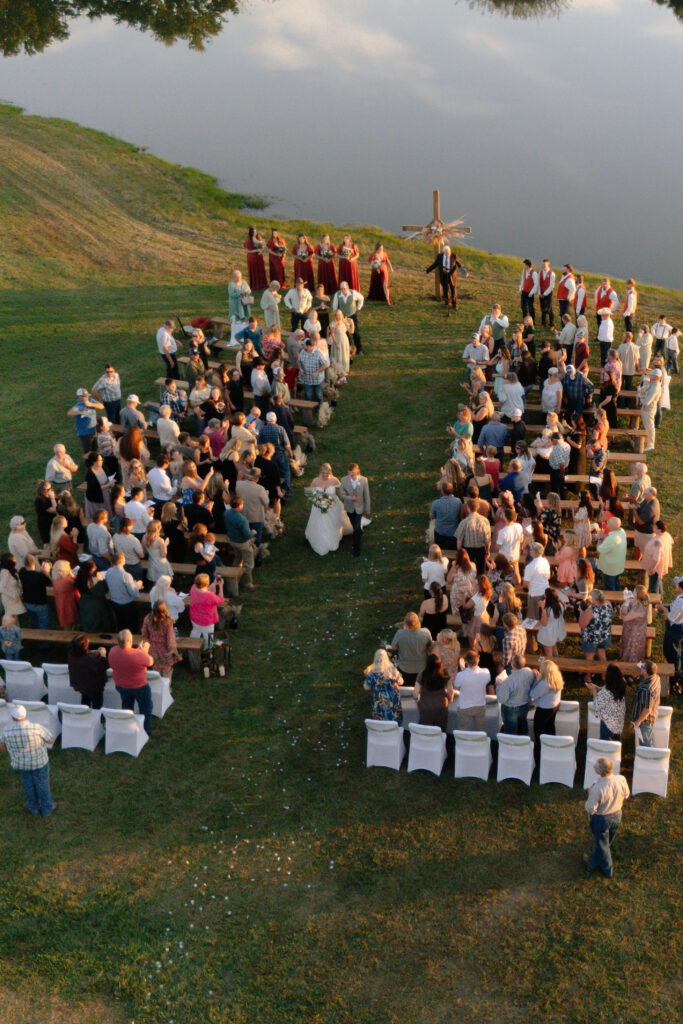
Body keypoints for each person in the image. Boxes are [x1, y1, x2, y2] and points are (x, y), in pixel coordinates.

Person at [0, 704, 55, 816]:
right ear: (25, 715)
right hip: (39, 762)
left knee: (28, 785)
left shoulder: (7, 731)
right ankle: (47, 808)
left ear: (12, 717)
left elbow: (1, 744)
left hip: (21, 764)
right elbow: (50, 741)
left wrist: (8, 752)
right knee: (42, 784)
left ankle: (33, 808)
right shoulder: (36, 727)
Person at [583, 756, 630, 878]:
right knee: (605, 842)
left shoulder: (596, 788)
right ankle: (593, 861)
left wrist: (589, 794)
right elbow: (626, 794)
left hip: (602, 819)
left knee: (602, 844)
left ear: (599, 771)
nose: (594, 767)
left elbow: (590, 809)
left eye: (595, 766)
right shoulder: (621, 779)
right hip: (617, 815)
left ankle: (607, 870)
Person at [108, 630, 154, 736]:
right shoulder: (138, 655)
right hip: (139, 686)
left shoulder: (112, 651)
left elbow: (128, 656)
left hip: (121, 685)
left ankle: (127, 726)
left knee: (127, 706)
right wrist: (144, 651)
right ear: (130, 640)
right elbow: (150, 661)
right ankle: (145, 731)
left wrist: (139, 651)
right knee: (146, 707)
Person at [529, 658, 564, 761]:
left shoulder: (545, 683)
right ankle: (551, 751)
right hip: (554, 707)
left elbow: (532, 694)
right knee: (550, 729)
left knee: (539, 733)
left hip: (543, 710)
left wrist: (535, 680)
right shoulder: (557, 678)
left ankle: (539, 758)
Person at [495, 653, 536, 735]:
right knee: (522, 729)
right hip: (524, 706)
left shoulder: (508, 681)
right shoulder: (529, 672)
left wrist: (498, 687)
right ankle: (523, 744)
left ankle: (511, 746)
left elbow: (501, 699)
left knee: (510, 732)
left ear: (512, 664)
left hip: (510, 709)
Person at [222, 495, 256, 589]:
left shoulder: (226, 513)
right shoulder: (242, 520)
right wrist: (252, 532)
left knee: (237, 558)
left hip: (232, 540)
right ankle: (247, 582)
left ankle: (234, 576)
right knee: (248, 564)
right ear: (240, 505)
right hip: (242, 543)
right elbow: (247, 535)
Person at [579, 590, 614, 680]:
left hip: (591, 637)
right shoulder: (609, 604)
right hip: (604, 635)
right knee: (602, 654)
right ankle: (603, 675)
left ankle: (588, 677)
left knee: (589, 658)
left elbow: (582, 625)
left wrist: (581, 612)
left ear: (594, 599)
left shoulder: (591, 610)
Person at [141, 601, 181, 679]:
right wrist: (172, 649)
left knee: (156, 669)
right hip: (165, 648)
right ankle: (166, 687)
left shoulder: (148, 618)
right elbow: (170, 637)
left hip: (153, 648)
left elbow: (144, 633)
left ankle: (158, 686)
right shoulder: (167, 621)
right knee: (166, 670)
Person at [390, 612, 431, 686]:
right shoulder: (425, 632)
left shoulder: (400, 633)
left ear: (405, 623)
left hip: (404, 668)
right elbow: (430, 645)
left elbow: (393, 647)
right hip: (422, 667)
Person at [67, 633, 108, 709]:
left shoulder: (72, 655)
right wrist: (103, 655)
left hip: (81, 685)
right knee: (97, 706)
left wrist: (96, 652)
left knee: (85, 701)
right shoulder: (91, 659)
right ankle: (96, 718)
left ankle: (84, 715)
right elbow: (102, 667)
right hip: (94, 687)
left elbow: (84, 654)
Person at [454, 650, 491, 732]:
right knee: (480, 730)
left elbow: (456, 685)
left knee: (462, 730)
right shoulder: (486, 672)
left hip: (464, 706)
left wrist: (462, 669)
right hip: (480, 705)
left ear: (466, 661)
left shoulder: (461, 675)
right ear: (478, 660)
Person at [363, 649, 403, 722]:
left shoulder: (371, 672)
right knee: (393, 715)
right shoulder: (392, 669)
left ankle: (381, 730)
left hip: (378, 697)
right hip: (392, 696)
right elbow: (401, 682)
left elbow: (367, 687)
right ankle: (394, 728)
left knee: (380, 716)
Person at [105, 552, 142, 631]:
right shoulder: (126, 575)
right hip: (127, 604)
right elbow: (133, 592)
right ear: (122, 561)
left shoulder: (108, 572)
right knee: (131, 625)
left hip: (115, 602)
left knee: (120, 623)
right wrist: (137, 586)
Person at [415, 653, 452, 730]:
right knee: (440, 731)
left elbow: (415, 694)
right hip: (441, 707)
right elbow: (450, 693)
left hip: (425, 707)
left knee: (426, 731)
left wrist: (418, 699)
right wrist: (449, 699)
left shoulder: (422, 675)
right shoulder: (444, 674)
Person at [454, 498, 490, 574]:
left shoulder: (464, 522)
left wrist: (460, 553)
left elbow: (459, 541)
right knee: (481, 571)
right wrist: (487, 550)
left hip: (468, 550)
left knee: (469, 570)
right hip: (481, 549)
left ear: (468, 508)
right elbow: (487, 540)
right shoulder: (485, 521)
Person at [189, 573, 226, 647]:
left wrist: (213, 584)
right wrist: (221, 587)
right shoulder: (210, 596)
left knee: (196, 631)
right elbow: (220, 600)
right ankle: (208, 651)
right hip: (207, 621)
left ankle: (192, 646)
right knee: (208, 636)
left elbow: (202, 589)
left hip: (195, 617)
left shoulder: (193, 588)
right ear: (207, 583)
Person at [67, 387, 104, 453]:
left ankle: (95, 461)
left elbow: (101, 406)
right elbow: (69, 413)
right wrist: (80, 412)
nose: (86, 397)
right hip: (84, 433)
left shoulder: (91, 400)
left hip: (94, 430)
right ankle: (89, 462)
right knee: (88, 451)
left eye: (87, 396)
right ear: (79, 397)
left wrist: (91, 404)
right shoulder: (78, 405)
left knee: (95, 449)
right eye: (84, 396)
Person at [332, 281, 364, 354]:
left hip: (352, 315)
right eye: (341, 289)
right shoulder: (337, 295)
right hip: (342, 317)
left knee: (355, 333)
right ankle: (348, 348)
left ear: (348, 287)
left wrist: (358, 308)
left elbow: (361, 298)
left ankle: (359, 349)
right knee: (345, 333)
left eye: (345, 289)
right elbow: (334, 307)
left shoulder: (353, 293)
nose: (343, 290)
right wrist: (336, 316)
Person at [596, 517, 627, 591]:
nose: (606, 525)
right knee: (616, 583)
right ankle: (618, 600)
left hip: (609, 568)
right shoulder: (622, 531)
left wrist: (600, 538)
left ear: (612, 526)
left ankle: (612, 602)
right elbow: (611, 541)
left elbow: (598, 550)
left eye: (608, 523)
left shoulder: (612, 539)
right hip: (618, 565)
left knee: (609, 588)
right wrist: (604, 537)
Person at [523, 543, 551, 620]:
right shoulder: (545, 561)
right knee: (544, 617)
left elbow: (525, 584)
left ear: (532, 552)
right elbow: (548, 576)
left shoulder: (529, 567)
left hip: (534, 594)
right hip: (545, 592)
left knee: (532, 619)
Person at [537, 588, 567, 658]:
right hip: (557, 631)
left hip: (548, 633)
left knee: (549, 655)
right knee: (554, 648)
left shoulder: (547, 609)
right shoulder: (561, 604)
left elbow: (543, 623)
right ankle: (558, 663)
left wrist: (542, 607)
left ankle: (550, 667)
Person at [637, 367, 662, 451]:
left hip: (649, 408)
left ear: (656, 377)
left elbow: (649, 399)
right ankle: (648, 441)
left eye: (652, 376)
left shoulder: (655, 387)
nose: (650, 377)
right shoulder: (653, 384)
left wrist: (643, 405)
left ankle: (651, 444)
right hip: (647, 407)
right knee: (647, 425)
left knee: (650, 426)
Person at [538, 259, 556, 327]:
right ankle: (543, 323)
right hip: (541, 292)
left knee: (549, 309)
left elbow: (551, 286)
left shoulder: (552, 274)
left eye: (544, 265)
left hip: (548, 293)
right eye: (542, 264)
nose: (543, 266)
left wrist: (544, 294)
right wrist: (539, 292)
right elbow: (538, 283)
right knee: (542, 309)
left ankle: (552, 324)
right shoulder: (540, 272)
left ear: (548, 264)